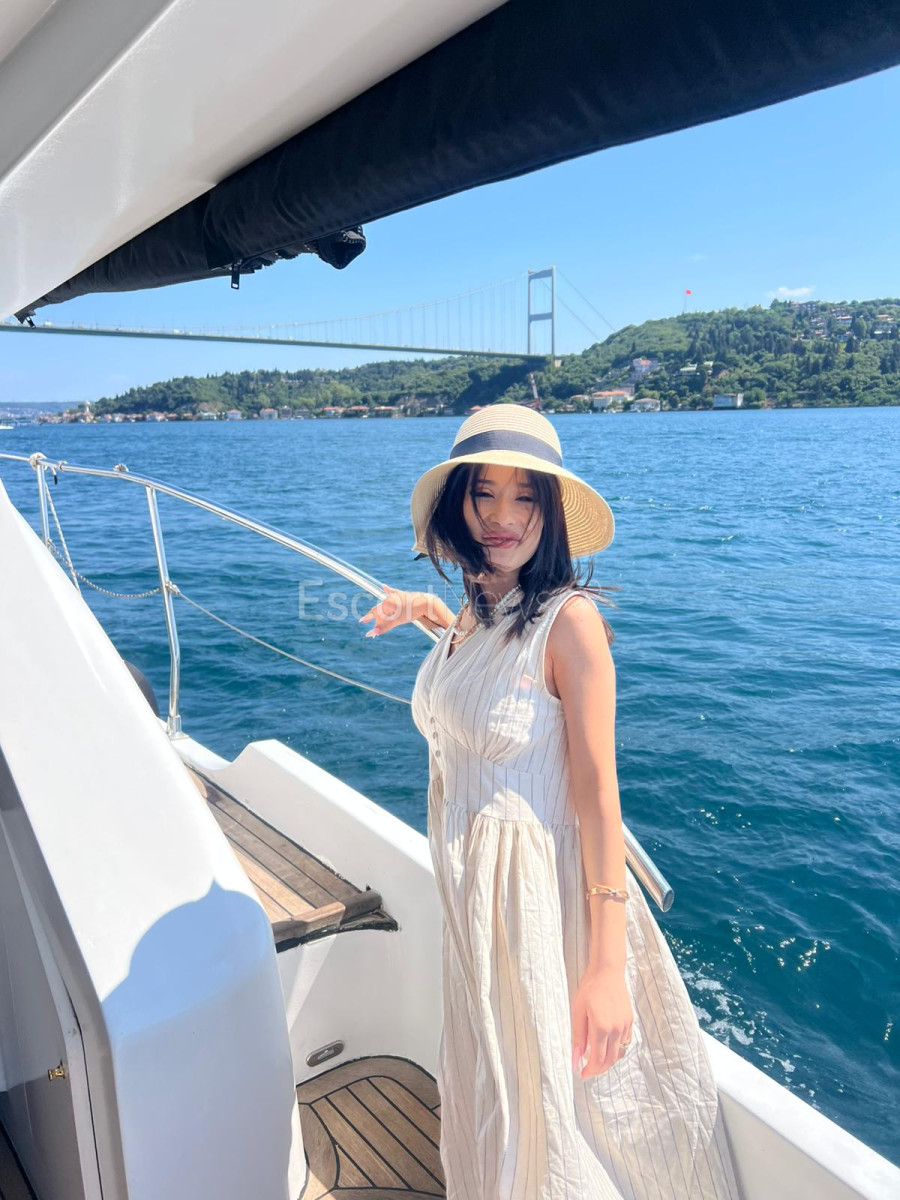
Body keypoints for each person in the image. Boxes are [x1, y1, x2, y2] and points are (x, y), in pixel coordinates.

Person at [359, 403, 740, 1200]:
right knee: (500, 1095)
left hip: (538, 905)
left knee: (550, 1119)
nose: (502, 516)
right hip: (477, 904)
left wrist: (606, 968)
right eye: (484, 493)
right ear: (459, 504)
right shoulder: (481, 606)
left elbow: (600, 799)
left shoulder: (571, 625)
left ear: (552, 512)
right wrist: (427, 611)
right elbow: (490, 676)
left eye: (525, 497)